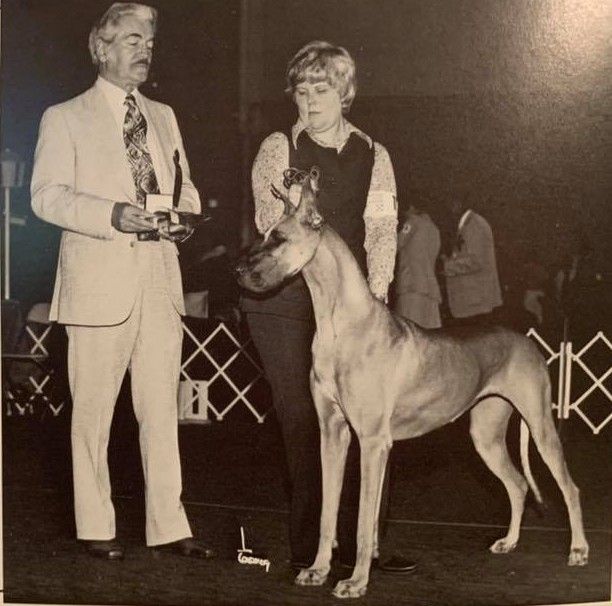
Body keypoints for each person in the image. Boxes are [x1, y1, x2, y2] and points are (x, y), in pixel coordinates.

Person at [30, 2, 214, 561]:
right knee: (93, 414)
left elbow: (185, 189)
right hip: (97, 284)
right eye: (133, 40)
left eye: (150, 43)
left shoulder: (164, 115)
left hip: (159, 279)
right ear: (101, 48)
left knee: (161, 411)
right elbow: (46, 197)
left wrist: (183, 217)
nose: (145, 51)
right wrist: (112, 214)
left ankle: (169, 524)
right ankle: (95, 525)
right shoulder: (64, 117)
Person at [241, 40, 414, 573]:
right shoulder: (278, 148)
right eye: (302, 90)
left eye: (322, 89)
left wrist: (377, 299)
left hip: (353, 308)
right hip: (285, 302)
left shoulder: (374, 154)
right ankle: (314, 548)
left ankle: (367, 546)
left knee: (371, 417)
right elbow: (272, 224)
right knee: (305, 418)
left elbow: (381, 229)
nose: (311, 100)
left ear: (345, 93)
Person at [442, 194, 503, 325]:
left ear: (458, 204)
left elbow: (476, 261)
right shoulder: (468, 224)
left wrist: (446, 266)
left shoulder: (474, 224)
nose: (447, 208)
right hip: (472, 303)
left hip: (475, 303)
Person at [393, 201, 442, 328]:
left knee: (409, 333)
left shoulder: (412, 222)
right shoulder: (435, 229)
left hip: (412, 288)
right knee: (430, 336)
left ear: (411, 207)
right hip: (431, 291)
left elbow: (394, 245)